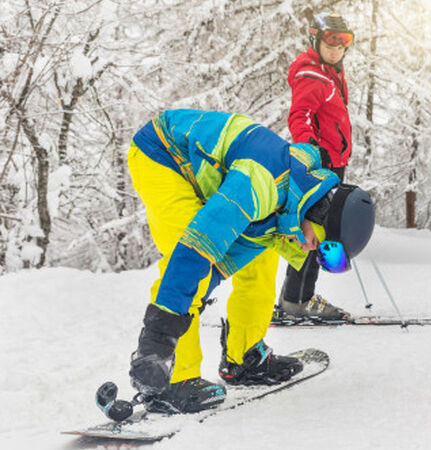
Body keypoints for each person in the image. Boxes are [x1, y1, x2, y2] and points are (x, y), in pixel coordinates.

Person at [126, 109, 375, 413]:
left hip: (218, 178)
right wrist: (159, 336)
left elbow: (223, 264)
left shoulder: (291, 198)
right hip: (164, 156)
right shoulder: (258, 185)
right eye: (327, 250)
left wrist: (205, 281)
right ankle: (171, 378)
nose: (318, 255)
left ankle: (243, 358)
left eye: (331, 261)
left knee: (263, 258)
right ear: (323, 213)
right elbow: (197, 252)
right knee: (191, 260)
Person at [277, 12, 356, 321]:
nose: (337, 49)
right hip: (321, 166)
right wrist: (312, 152)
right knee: (312, 233)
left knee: (318, 232)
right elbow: (300, 116)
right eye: (331, 42)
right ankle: (296, 301)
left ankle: (297, 297)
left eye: (344, 43)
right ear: (317, 40)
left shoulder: (330, 72)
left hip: (334, 164)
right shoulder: (313, 76)